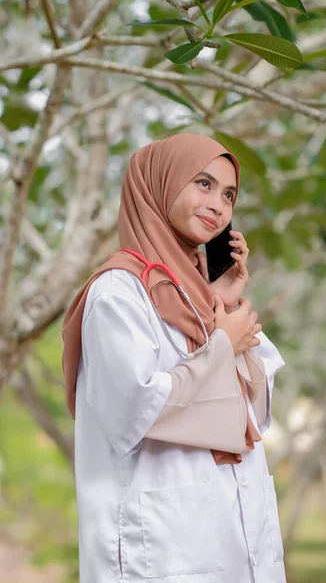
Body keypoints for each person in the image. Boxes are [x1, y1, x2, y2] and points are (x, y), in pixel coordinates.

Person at [61, 133, 286, 583]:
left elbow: (253, 417)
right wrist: (221, 346)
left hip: (230, 538)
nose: (218, 205)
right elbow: (133, 410)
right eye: (202, 184)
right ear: (159, 185)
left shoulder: (199, 302)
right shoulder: (118, 294)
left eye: (228, 194)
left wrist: (216, 308)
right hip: (159, 549)